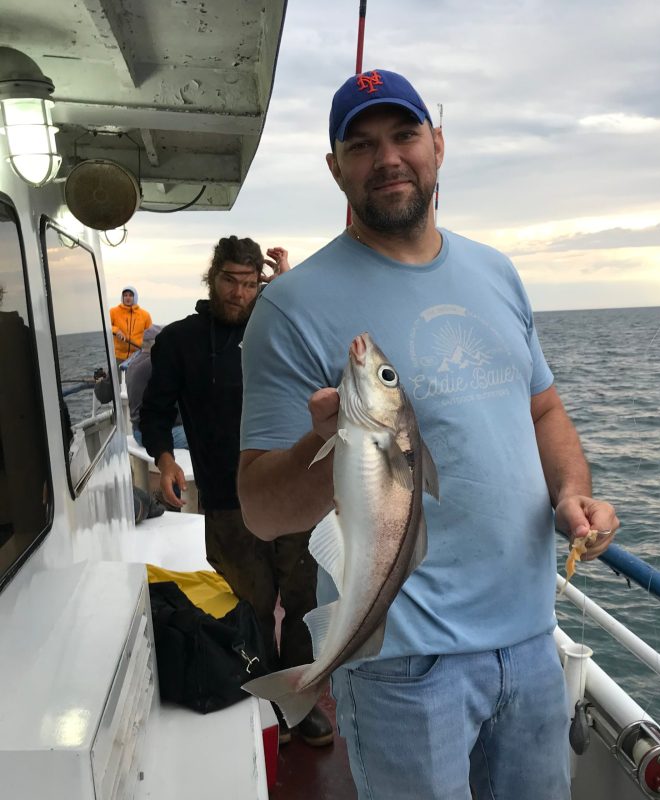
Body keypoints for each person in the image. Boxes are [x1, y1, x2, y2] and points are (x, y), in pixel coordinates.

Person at [238, 69, 620, 799]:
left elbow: (543, 411)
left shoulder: (497, 271)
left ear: (437, 145)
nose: (387, 158)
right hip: (401, 664)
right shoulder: (289, 306)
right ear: (334, 168)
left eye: (404, 135)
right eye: (361, 145)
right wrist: (332, 445)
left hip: (532, 640)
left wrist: (573, 493)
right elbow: (260, 511)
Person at [139, 236, 333, 747]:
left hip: (295, 494)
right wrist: (164, 460)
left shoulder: (278, 331)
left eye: (250, 283)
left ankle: (299, 701)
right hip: (228, 501)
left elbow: (321, 337)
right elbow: (155, 411)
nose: (239, 293)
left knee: (303, 602)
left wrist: (288, 286)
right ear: (212, 277)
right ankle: (268, 702)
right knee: (251, 605)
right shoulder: (179, 341)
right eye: (230, 280)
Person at [127, 325, 188, 450]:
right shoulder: (156, 363)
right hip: (152, 434)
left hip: (138, 431)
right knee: (206, 435)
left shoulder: (132, 363)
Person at [110, 286, 152, 367]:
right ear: (122, 297)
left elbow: (150, 334)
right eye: (125, 295)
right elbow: (106, 327)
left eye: (130, 295)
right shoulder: (113, 312)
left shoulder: (145, 315)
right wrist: (116, 331)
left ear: (135, 297)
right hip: (118, 356)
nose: (128, 298)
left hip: (137, 356)